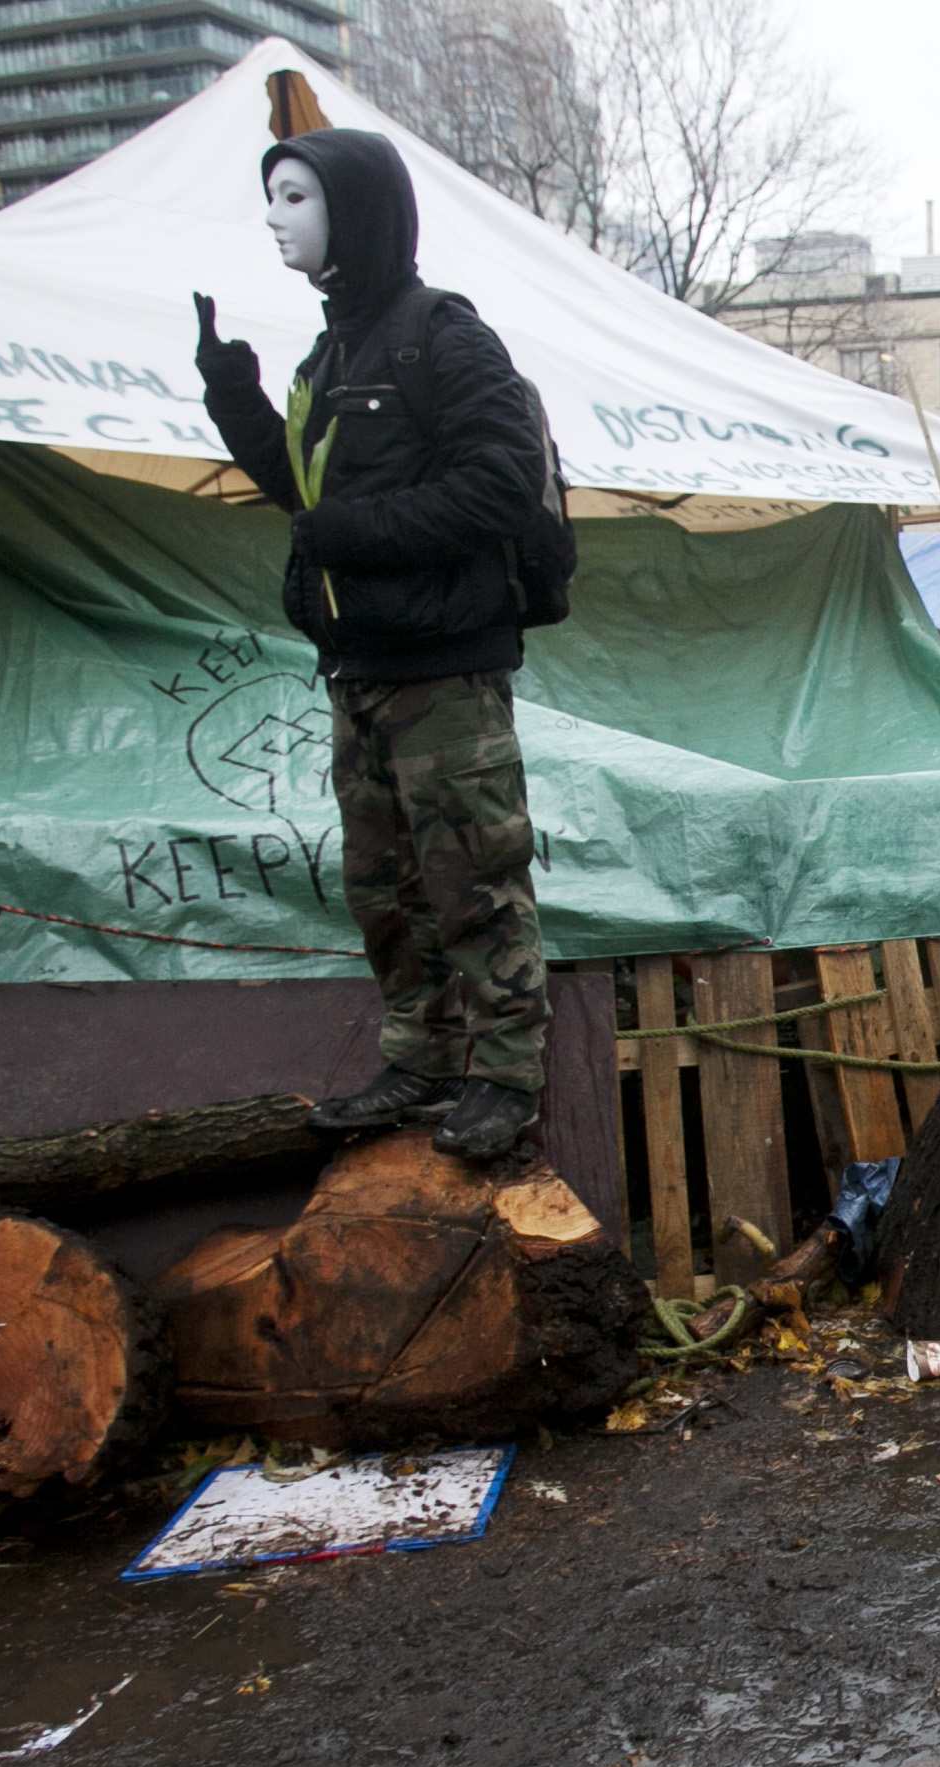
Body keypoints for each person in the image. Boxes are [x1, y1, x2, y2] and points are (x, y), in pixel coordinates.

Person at [194, 127, 555, 1161]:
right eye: (272, 197)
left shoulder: (441, 336)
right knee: (384, 887)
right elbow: (307, 501)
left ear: (356, 209)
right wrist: (236, 399)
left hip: (444, 664)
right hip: (359, 665)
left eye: (296, 197)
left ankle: (506, 1072)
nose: (275, 218)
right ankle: (422, 1055)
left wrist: (354, 533)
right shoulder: (331, 352)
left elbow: (499, 480)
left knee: (474, 876)